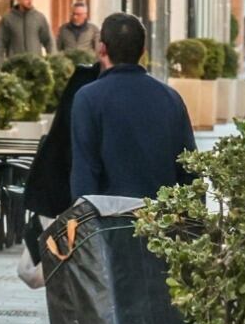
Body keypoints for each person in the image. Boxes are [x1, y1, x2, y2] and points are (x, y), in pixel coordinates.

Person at [70, 13, 199, 201]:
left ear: (102, 49)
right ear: (143, 51)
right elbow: (190, 170)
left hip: (108, 222)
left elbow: (84, 172)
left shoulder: (88, 98)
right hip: (159, 222)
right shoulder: (170, 98)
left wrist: (81, 223)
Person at [25, 29, 112, 236]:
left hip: (73, 198)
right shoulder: (85, 83)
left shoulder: (83, 84)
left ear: (101, 50)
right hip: (82, 199)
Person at [0, 0, 53, 66]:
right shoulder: (8, 19)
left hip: (35, 69)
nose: (30, 1)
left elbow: (49, 41)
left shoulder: (39, 18)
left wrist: (53, 63)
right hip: (15, 69)